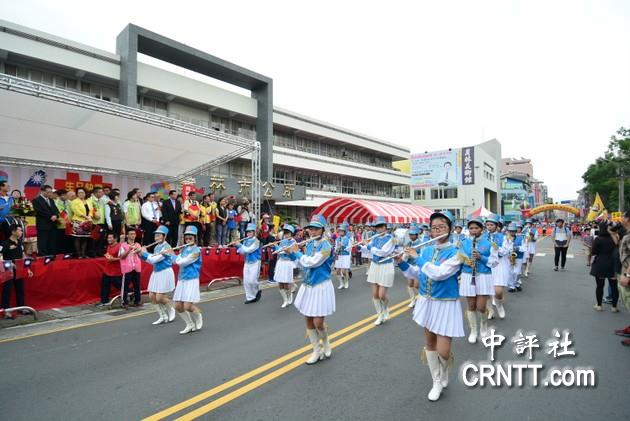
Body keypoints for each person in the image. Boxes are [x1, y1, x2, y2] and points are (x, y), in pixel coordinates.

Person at [396, 210, 463, 401]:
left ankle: (444, 371)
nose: (437, 230)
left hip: (446, 304)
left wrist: (417, 257)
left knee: (444, 350)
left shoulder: (458, 252)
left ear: (450, 229)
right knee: (430, 343)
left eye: (442, 226)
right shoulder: (426, 250)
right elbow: (417, 274)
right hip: (426, 301)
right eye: (434, 228)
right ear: (431, 232)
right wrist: (401, 264)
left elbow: (440, 273)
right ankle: (436, 381)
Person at [286, 214, 335, 365]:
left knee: (318, 322)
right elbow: (303, 265)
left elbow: (312, 263)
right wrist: (291, 254)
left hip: (320, 285)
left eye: (316, 229)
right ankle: (316, 350)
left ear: (322, 230)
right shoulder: (309, 245)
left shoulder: (326, 246)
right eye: (311, 229)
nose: (312, 232)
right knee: (308, 319)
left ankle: (325, 342)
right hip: (308, 285)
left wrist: (296, 252)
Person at [360, 216, 395, 326]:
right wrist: (360, 247)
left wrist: (369, 246)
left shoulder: (392, 238)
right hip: (375, 266)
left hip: (386, 266)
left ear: (385, 227)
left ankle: (385, 308)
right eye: (377, 227)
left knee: (382, 295)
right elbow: (370, 250)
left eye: (380, 227)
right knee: (375, 294)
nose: (378, 229)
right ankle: (380, 315)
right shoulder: (375, 238)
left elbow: (382, 252)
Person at [139, 225, 176, 325]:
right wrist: (140, 253)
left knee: (160, 297)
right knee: (152, 296)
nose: (157, 237)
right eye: (156, 235)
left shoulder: (167, 247)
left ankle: (171, 308)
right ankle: (162, 316)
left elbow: (153, 259)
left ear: (164, 236)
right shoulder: (156, 247)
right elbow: (151, 261)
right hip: (156, 273)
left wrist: (144, 253)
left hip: (165, 272)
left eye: (159, 235)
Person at [172, 225, 203, 334]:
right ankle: (189, 324)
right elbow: (177, 260)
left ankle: (198, 315)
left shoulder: (196, 251)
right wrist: (169, 255)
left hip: (191, 279)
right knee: (178, 306)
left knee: (187, 306)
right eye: (186, 238)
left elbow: (182, 262)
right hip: (182, 279)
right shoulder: (184, 249)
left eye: (190, 238)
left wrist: (171, 255)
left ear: (195, 238)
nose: (188, 240)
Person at [1, 225, 33, 319]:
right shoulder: (4, 244)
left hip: (19, 270)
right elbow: (0, 256)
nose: (22, 232)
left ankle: (21, 308)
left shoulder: (19, 242)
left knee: (20, 289)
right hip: (8, 271)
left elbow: (23, 256)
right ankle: (6, 311)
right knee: (7, 291)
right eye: (20, 230)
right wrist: (10, 264)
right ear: (13, 232)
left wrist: (28, 268)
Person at [590, 222, 619, 312]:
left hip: (600, 264)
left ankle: (599, 305)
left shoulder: (598, 239)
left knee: (599, 286)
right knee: (614, 286)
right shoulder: (616, 238)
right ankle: (614, 307)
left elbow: (594, 252)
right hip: (613, 264)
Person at [484, 214, 508, 320]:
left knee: (498, 291)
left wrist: (497, 248)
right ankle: (490, 310)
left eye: (491, 225)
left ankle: (499, 305)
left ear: (497, 225)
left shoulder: (503, 237)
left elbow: (506, 251)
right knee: (487, 291)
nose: (489, 227)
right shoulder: (483, 236)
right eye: (487, 225)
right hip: (486, 264)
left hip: (499, 264)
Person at [236, 223, 262, 304]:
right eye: (247, 232)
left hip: (255, 262)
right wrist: (237, 247)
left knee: (252, 281)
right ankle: (250, 297)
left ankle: (257, 289)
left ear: (254, 232)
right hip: (247, 262)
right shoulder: (246, 241)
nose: (248, 234)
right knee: (246, 281)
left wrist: (240, 245)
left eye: (250, 232)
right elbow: (242, 252)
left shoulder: (257, 241)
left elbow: (249, 250)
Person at [273, 224, 297, 308]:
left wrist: (286, 251)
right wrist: (275, 246)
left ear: (292, 234)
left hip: (288, 263)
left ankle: (290, 295)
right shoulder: (282, 241)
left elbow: (294, 253)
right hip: (280, 263)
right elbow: (279, 251)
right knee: (280, 283)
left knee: (286, 283)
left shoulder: (294, 242)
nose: (286, 235)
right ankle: (285, 300)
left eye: (288, 233)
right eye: (285, 233)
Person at [117, 229, 143, 307]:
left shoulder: (138, 244)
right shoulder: (123, 245)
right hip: (127, 268)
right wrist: (129, 249)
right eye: (131, 234)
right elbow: (121, 256)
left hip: (136, 268)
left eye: (134, 234)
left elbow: (141, 255)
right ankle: (124, 302)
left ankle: (137, 301)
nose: (133, 235)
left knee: (137, 285)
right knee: (125, 286)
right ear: (127, 236)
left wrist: (139, 250)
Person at [31, 184, 59, 255]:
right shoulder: (36, 200)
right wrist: (50, 216)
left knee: (52, 242)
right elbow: (39, 212)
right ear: (42, 191)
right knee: (42, 242)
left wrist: (55, 215)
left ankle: (51, 255)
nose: (49, 193)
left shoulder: (51, 200)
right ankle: (43, 256)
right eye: (48, 192)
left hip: (52, 224)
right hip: (43, 225)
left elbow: (56, 210)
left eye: (50, 192)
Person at [99, 233, 123, 307]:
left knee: (120, 286)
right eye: (108, 238)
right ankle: (104, 301)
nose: (108, 239)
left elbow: (123, 258)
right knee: (104, 286)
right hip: (107, 270)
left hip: (116, 271)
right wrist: (107, 256)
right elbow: (108, 254)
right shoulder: (109, 246)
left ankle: (131, 293)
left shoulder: (120, 246)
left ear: (115, 239)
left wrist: (114, 259)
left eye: (110, 238)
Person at [69, 187, 94, 259]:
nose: (81, 194)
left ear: (85, 193)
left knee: (85, 238)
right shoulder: (74, 201)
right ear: (77, 194)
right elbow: (76, 211)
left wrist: (89, 216)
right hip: (78, 221)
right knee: (78, 238)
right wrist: (86, 217)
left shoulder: (88, 201)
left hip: (87, 222)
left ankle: (83, 254)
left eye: (82, 192)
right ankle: (79, 254)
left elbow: (91, 210)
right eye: (79, 192)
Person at [506, 223, 527, 292]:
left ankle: (516, 284)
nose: (512, 232)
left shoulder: (521, 238)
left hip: (518, 257)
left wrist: (516, 248)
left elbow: (524, 248)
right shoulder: (505, 238)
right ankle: (512, 286)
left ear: (515, 231)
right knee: (510, 272)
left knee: (517, 272)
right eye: (510, 231)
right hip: (509, 257)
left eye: (513, 231)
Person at [405, 224, 422, 308]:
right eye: (410, 234)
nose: (411, 236)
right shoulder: (408, 243)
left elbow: (422, 254)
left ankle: (422, 298)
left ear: (417, 234)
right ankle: (413, 300)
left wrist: (413, 254)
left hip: (417, 266)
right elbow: (405, 254)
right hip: (410, 265)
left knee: (416, 285)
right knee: (410, 284)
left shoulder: (421, 243)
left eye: (413, 234)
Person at [334, 223, 352, 289]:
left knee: (344, 271)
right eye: (339, 231)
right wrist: (336, 250)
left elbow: (350, 248)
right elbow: (335, 247)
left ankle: (346, 281)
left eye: (342, 231)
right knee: (337, 271)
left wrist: (343, 246)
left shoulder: (348, 239)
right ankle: (341, 283)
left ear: (344, 232)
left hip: (345, 256)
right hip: (338, 256)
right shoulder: (337, 239)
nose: (340, 232)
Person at [89, 187, 107, 257]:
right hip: (94, 222)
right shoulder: (91, 200)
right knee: (94, 238)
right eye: (100, 192)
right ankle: (92, 252)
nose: (102, 193)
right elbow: (90, 210)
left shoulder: (102, 200)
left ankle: (99, 251)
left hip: (102, 222)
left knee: (101, 238)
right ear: (96, 193)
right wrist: (94, 215)